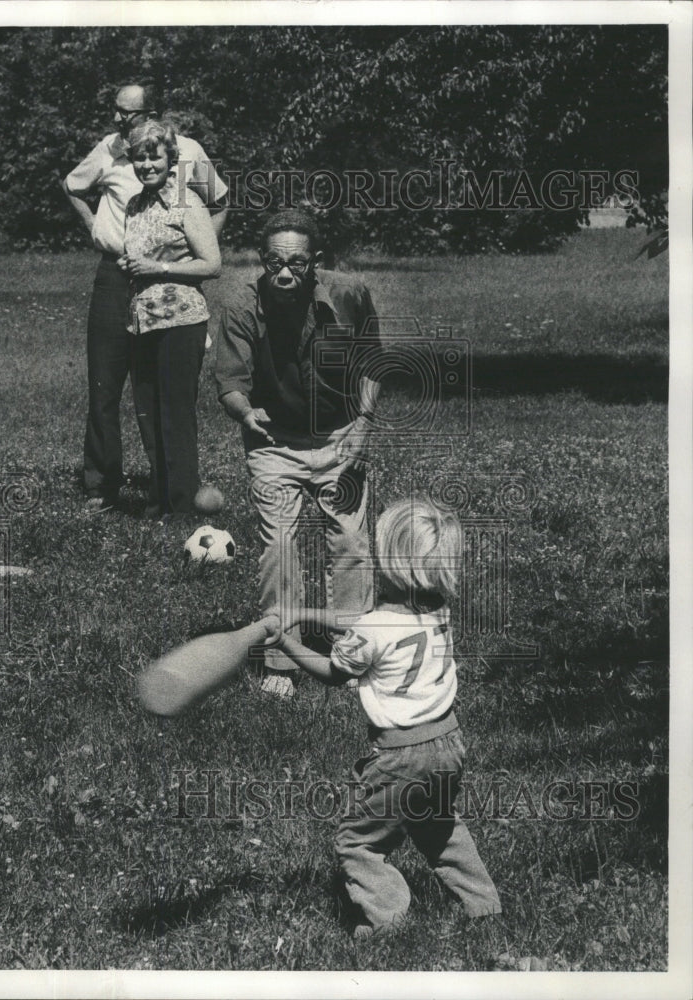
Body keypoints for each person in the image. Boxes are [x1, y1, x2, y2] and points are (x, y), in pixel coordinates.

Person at [270, 498, 502, 937]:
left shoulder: (372, 630)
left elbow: (335, 672)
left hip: (400, 755)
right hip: (448, 743)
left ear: (389, 562)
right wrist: (302, 614)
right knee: (438, 826)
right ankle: (483, 905)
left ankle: (388, 921)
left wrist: (288, 644)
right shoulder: (438, 609)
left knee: (357, 842)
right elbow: (362, 622)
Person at [215, 209, 382, 697]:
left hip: (340, 435)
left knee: (351, 542)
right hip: (273, 442)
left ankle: (353, 653)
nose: (284, 274)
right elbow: (229, 382)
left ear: (317, 262)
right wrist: (245, 413)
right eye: (273, 263)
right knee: (280, 545)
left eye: (296, 263)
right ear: (262, 262)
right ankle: (279, 661)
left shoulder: (349, 294)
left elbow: (373, 363)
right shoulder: (242, 304)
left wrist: (363, 425)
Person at [62, 82, 228, 512]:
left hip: (170, 280)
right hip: (117, 276)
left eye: (128, 113)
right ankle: (101, 484)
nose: (119, 120)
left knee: (162, 389)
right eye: (116, 111)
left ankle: (169, 487)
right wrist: (99, 230)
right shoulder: (108, 148)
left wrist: (189, 252)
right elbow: (72, 186)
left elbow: (222, 202)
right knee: (106, 382)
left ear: (154, 113)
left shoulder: (188, 150)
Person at [119, 119, 221, 519]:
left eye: (154, 156)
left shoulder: (185, 201)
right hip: (142, 322)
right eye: (139, 157)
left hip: (180, 322)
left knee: (175, 414)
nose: (146, 165)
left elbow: (212, 264)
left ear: (170, 158)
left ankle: (182, 506)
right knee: (148, 412)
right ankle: (158, 498)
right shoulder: (135, 205)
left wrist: (156, 269)